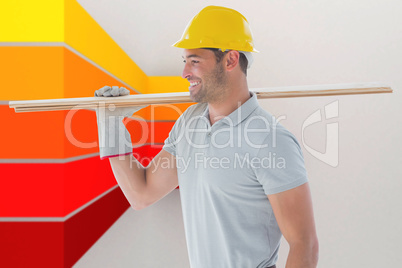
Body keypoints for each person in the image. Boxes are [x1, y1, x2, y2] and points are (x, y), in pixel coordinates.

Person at [94, 6, 319, 268]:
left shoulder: (271, 141)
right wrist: (111, 124)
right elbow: (141, 194)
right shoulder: (189, 124)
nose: (185, 73)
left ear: (231, 60)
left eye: (195, 61)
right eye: (185, 61)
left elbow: (305, 244)